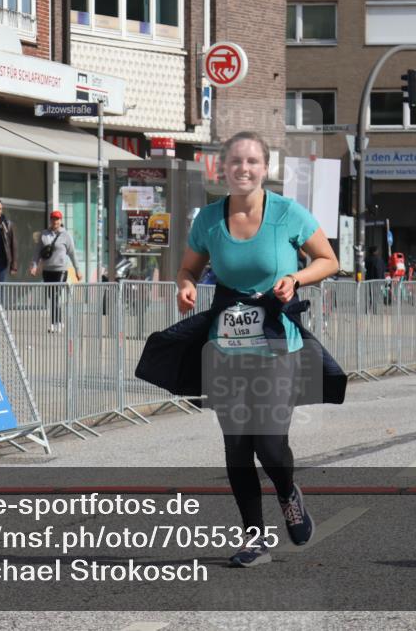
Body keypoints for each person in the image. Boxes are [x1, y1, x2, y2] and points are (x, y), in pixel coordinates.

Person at [143, 131, 343, 568]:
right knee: (237, 447)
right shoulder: (209, 220)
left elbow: (329, 260)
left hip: (277, 347)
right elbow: (188, 268)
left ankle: (288, 493)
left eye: (252, 161)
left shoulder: (288, 214)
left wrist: (296, 280)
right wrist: (185, 287)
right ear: (222, 168)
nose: (244, 169)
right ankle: (254, 539)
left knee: (269, 446)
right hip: (225, 347)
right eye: (235, 161)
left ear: (265, 168)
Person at [30, 210, 82, 332]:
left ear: (61, 221)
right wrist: (34, 265)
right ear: (50, 220)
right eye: (53, 219)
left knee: (55, 296)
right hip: (47, 270)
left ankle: (55, 323)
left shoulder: (66, 235)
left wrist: (77, 270)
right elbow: (37, 252)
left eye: (57, 219)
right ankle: (58, 321)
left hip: (61, 270)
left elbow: (72, 254)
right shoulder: (44, 234)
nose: (55, 221)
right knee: (51, 297)